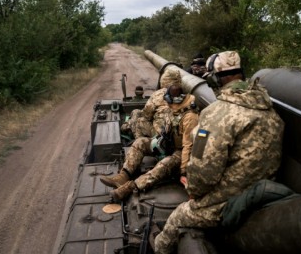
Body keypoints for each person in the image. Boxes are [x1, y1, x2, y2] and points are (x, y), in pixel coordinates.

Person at [154, 51, 285, 254]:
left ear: (215, 78)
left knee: (178, 216)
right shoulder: (269, 108)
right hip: (260, 192)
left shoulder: (215, 114)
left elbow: (202, 171)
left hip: (229, 201)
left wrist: (194, 192)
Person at [100, 82, 199, 201]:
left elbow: (188, 146)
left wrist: (183, 171)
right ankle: (123, 176)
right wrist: (159, 141)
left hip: (180, 151)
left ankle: (131, 187)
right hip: (168, 143)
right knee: (140, 142)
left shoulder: (190, 117)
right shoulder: (176, 108)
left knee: (165, 164)